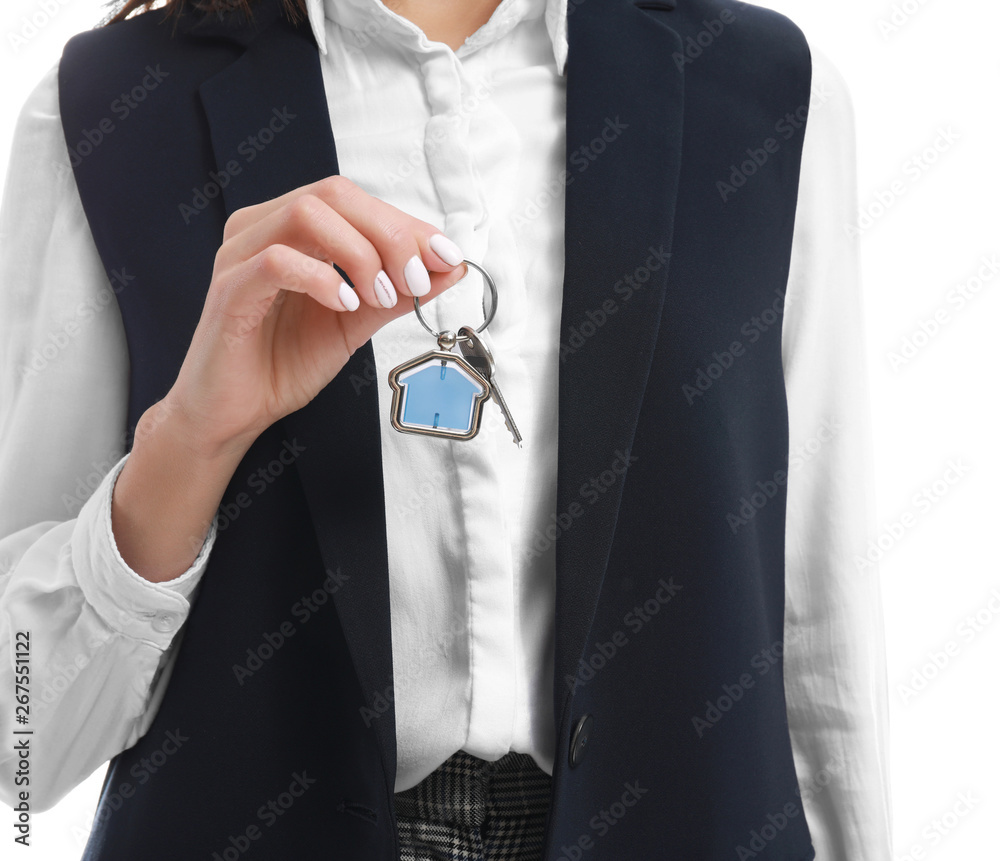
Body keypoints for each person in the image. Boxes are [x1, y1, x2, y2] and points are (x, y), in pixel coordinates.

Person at [0, 0, 892, 858]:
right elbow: (20, 743)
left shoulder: (767, 87)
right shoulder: (109, 104)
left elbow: (816, 609)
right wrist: (190, 438)